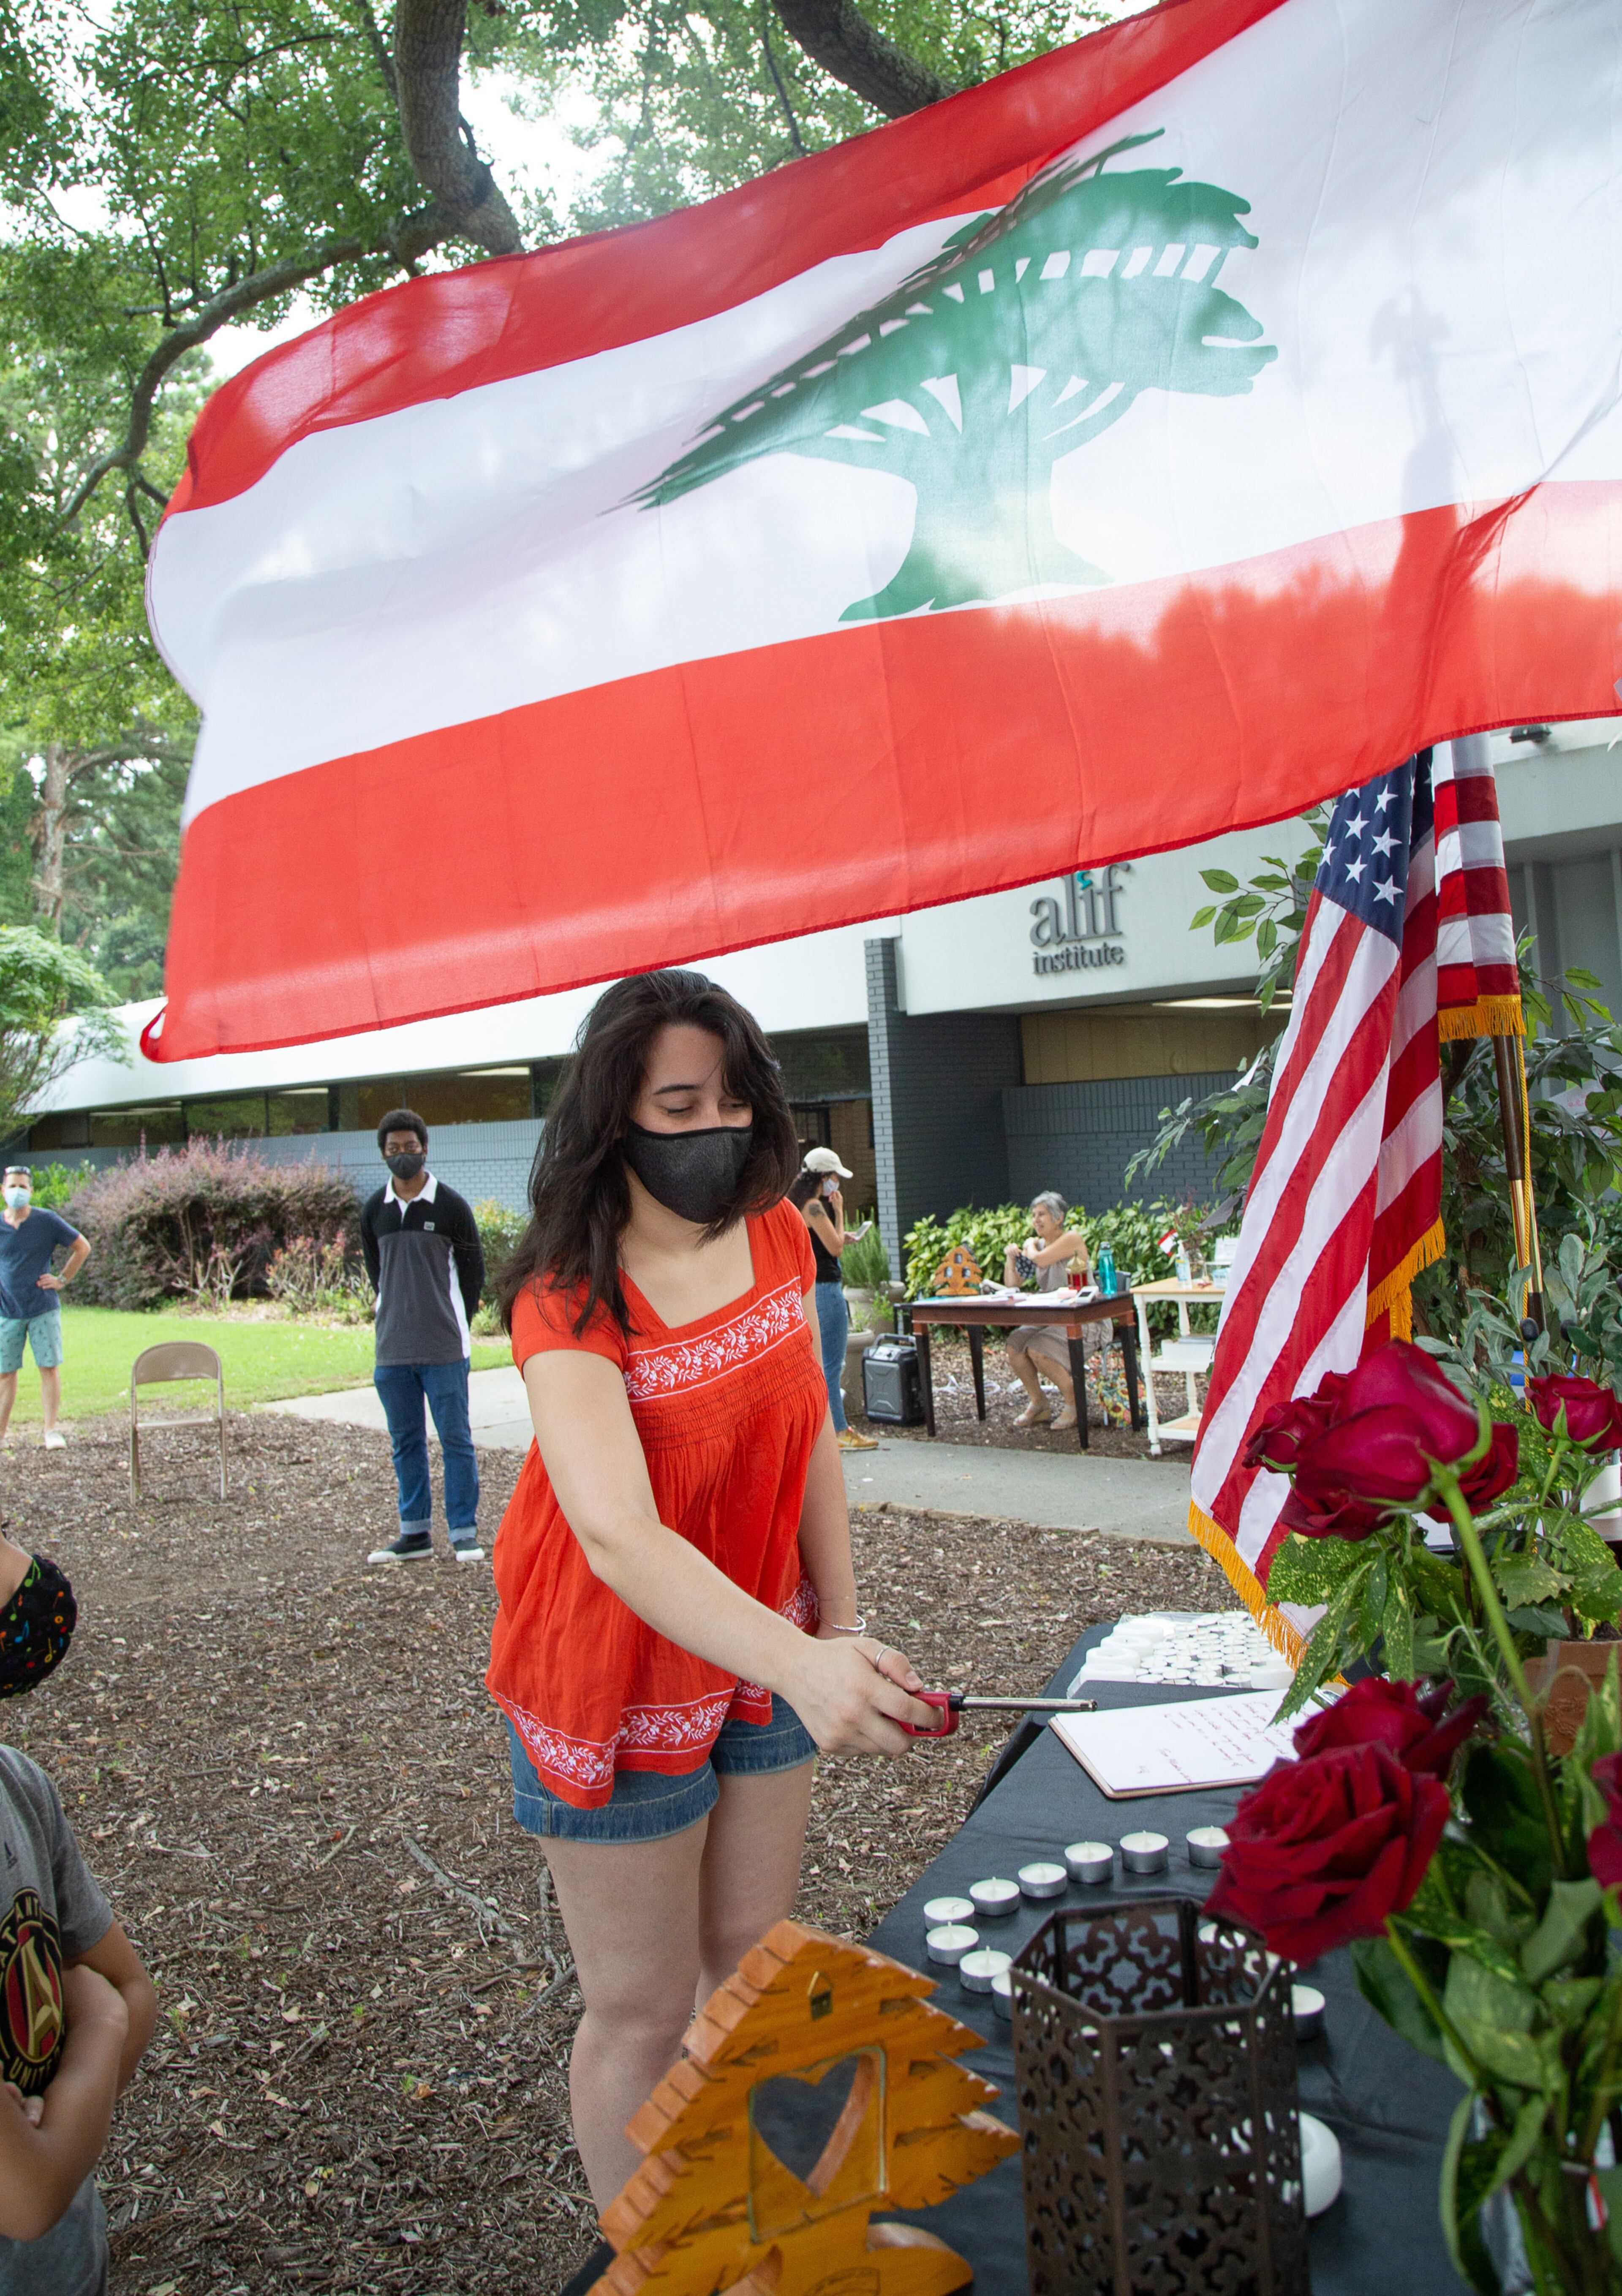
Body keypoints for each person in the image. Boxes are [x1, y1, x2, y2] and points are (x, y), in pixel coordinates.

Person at [485, 969, 932, 2214]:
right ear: (608, 1119)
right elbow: (618, 1537)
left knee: (744, 1963)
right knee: (640, 2007)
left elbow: (809, 1439)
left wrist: (836, 1628)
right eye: (675, 1106)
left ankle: (741, 2212)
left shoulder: (781, 1233)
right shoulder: (565, 1295)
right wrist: (802, 1667)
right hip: (612, 1676)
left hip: (766, 1652)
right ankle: (658, 2258)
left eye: (732, 1102)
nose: (712, 1132)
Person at [0, 1532, 158, 2291]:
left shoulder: (17, 1785)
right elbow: (27, 2194)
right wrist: (93, 2024)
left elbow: (135, 1992)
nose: (23, 1571)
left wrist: (63, 2122)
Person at [360, 1111, 487, 1565]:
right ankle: (414, 1534)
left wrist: (455, 1322)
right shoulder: (374, 1210)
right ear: (383, 1154)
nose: (402, 1155)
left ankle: (464, 1533)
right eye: (393, 1149)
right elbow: (379, 1274)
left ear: (425, 1148)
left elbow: (474, 1275)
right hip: (392, 1350)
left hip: (445, 1349)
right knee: (405, 1442)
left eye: (409, 1147)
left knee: (456, 1440)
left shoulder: (450, 1206)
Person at [788, 1148, 877, 1453]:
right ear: (823, 1178)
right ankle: (839, 1430)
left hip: (811, 1288)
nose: (837, 1183)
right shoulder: (815, 1206)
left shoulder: (797, 1204)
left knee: (820, 1362)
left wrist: (841, 1233)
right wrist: (839, 1212)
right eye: (835, 1177)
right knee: (831, 1364)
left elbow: (827, 1242)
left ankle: (825, 1431)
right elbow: (836, 1248)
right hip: (826, 1289)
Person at [0, 1168, 90, 1452]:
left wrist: (62, 1279)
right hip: (7, 1311)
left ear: (31, 1190)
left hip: (42, 1308)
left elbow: (82, 1247)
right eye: (12, 1186)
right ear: (3, 1190)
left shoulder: (46, 1221)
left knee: (48, 1368)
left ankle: (51, 1430)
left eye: (23, 1186)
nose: (18, 1190)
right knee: (5, 1374)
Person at [1002, 1190, 1100, 1433]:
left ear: (1059, 1218)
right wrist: (1010, 1258)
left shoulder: (1071, 1239)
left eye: (1042, 1214)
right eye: (1034, 1215)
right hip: (1051, 1318)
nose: (1036, 1220)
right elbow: (1013, 1284)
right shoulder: (1038, 1247)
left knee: (1038, 1349)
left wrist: (1027, 1245)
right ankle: (1040, 1404)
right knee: (1015, 1345)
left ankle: (1075, 1405)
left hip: (1085, 1318)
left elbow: (1040, 1261)